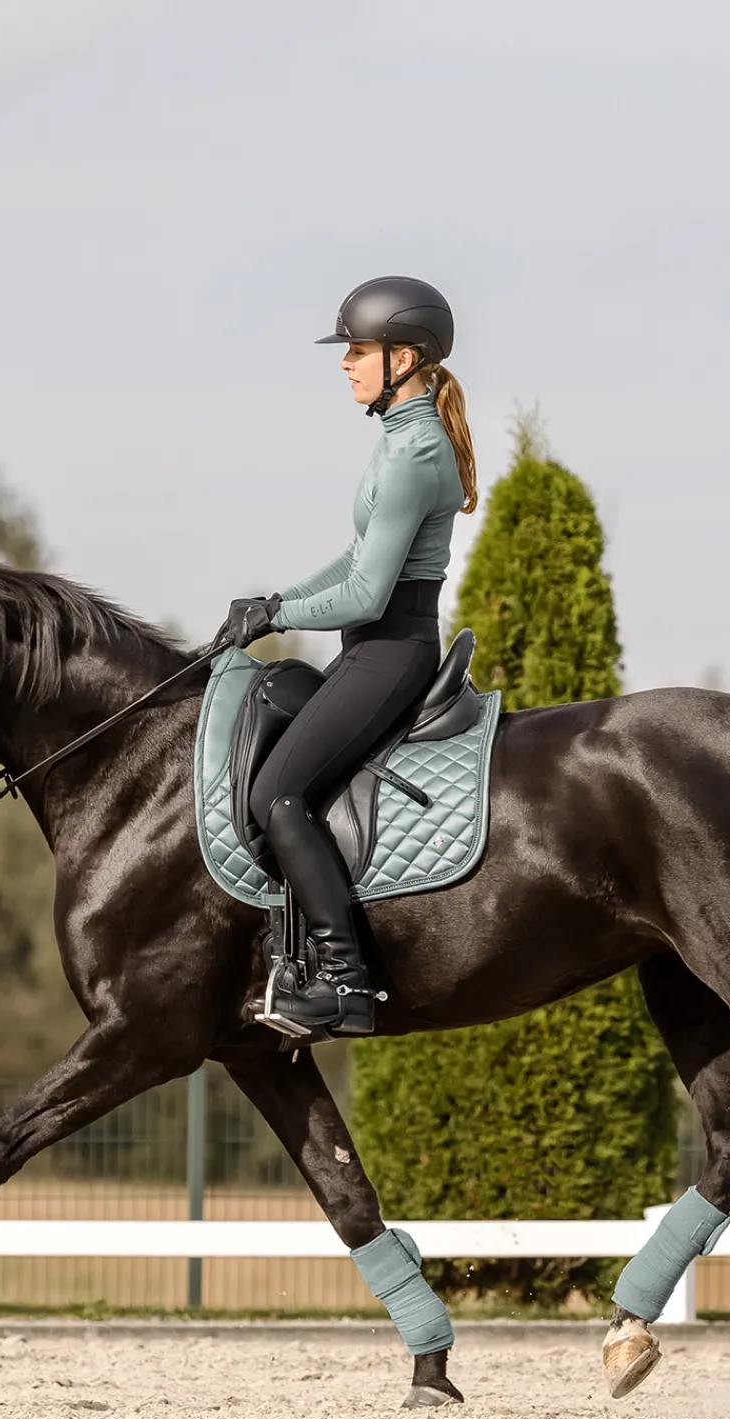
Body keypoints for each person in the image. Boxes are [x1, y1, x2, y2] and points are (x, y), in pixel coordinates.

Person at [213, 275, 477, 1037]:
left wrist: (280, 615)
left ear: (406, 356)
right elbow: (354, 556)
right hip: (375, 648)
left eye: (359, 349)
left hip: (390, 650)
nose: (346, 363)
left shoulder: (414, 454)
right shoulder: (400, 437)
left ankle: (344, 981)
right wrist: (273, 600)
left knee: (276, 794)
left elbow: (364, 596)